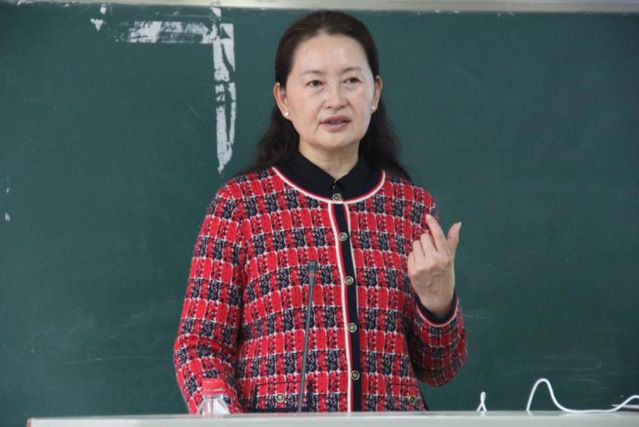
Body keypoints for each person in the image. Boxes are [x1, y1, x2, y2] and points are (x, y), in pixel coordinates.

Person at [173, 10, 467, 413]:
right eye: (315, 83)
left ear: (375, 93)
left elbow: (439, 368)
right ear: (284, 99)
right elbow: (200, 347)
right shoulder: (241, 206)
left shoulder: (412, 209)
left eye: (351, 81)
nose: (335, 100)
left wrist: (438, 303)